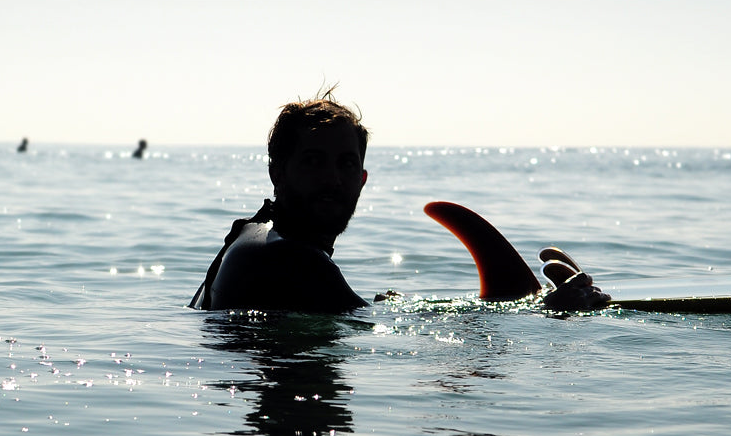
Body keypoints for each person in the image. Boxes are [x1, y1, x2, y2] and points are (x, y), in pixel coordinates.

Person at [192, 91, 607, 313]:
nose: (332, 179)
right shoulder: (292, 260)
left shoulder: (253, 233)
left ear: (362, 180)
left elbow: (344, 313)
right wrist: (544, 313)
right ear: (277, 173)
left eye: (346, 164)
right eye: (313, 161)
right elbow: (378, 337)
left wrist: (393, 310)